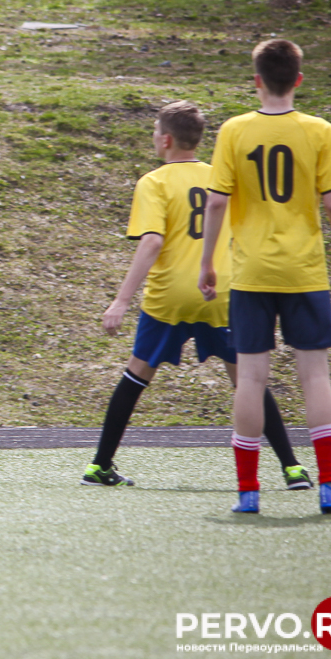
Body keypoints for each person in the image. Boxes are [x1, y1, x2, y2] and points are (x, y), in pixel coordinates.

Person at [88, 101, 309, 490]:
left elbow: (152, 241)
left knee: (136, 374)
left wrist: (121, 299)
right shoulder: (220, 178)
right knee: (248, 382)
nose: (153, 137)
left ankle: (100, 465)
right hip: (219, 293)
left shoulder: (153, 182)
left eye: (156, 131)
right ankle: (291, 468)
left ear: (167, 140)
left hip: (170, 296)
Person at [200, 40, 331, 515]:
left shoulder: (234, 131)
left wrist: (207, 260)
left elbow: (216, 201)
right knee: (314, 375)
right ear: (298, 79)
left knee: (250, 379)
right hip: (305, 271)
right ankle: (330, 488)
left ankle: (248, 493)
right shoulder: (319, 131)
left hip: (251, 272)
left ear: (256, 80)